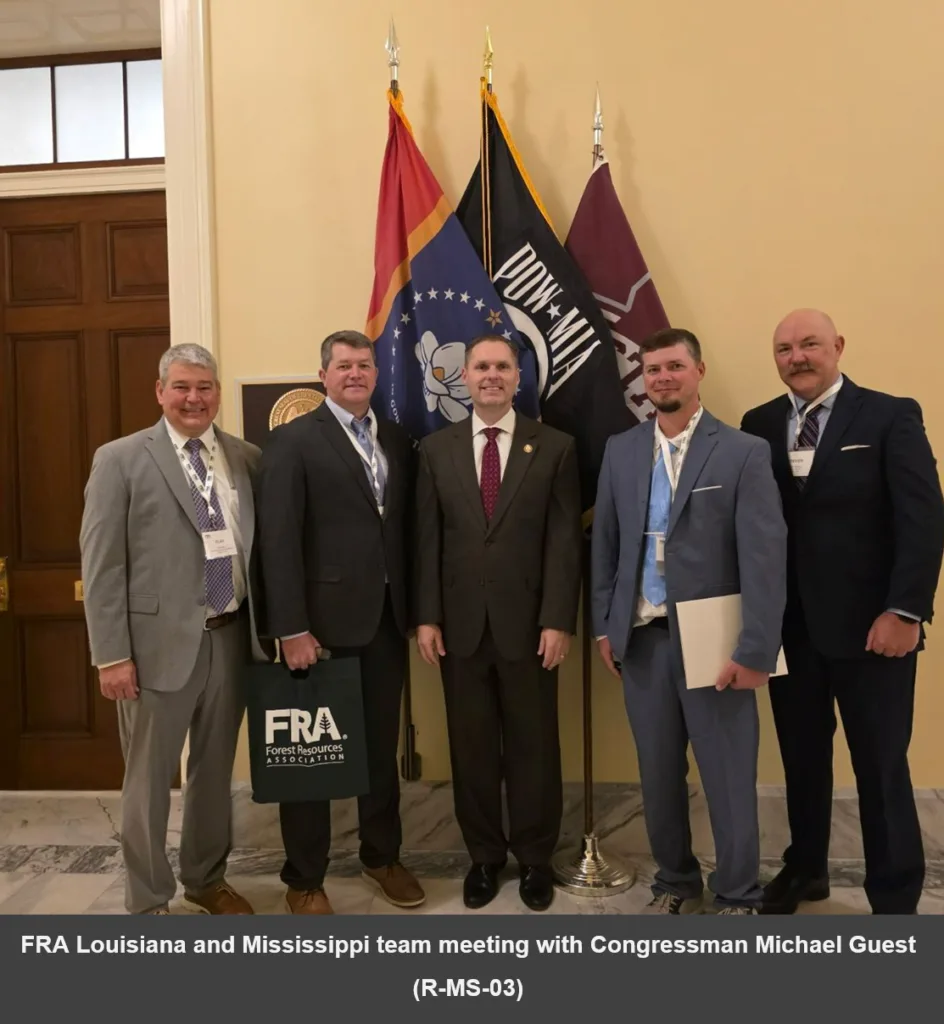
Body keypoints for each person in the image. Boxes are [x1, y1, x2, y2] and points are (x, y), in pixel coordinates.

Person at [741, 308, 944, 915]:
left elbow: (923, 518)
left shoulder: (889, 415)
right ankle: (806, 870)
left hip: (874, 630)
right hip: (791, 630)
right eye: (784, 349)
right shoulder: (758, 424)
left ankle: (895, 897)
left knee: (880, 766)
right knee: (802, 761)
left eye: (809, 344)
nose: (797, 357)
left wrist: (906, 611)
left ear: (838, 346)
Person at [592, 327, 787, 915]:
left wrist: (756, 648)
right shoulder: (621, 450)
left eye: (674, 366)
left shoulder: (743, 451)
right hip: (643, 641)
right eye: (652, 369)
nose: (663, 378)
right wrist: (604, 626)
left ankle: (738, 892)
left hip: (717, 642)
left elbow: (764, 558)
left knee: (728, 775)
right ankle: (674, 882)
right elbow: (605, 546)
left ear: (699, 370)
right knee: (657, 774)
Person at [79, 343, 265, 915]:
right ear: (160, 391)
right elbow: (101, 564)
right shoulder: (120, 459)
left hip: (230, 636)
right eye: (181, 386)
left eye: (204, 387)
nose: (193, 398)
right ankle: (148, 899)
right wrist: (111, 655)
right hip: (153, 649)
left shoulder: (247, 458)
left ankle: (206, 880)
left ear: (217, 392)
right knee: (148, 781)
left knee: (214, 773)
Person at [254, 329, 424, 915]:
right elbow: (277, 540)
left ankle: (382, 856)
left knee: (379, 751)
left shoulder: (396, 440)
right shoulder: (293, 440)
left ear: (377, 373)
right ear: (322, 374)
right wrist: (291, 627)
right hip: (318, 630)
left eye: (364, 364)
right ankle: (304, 879)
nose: (355, 373)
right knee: (312, 757)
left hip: (385, 622)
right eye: (343, 365)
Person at [414, 335, 582, 912]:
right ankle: (484, 856)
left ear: (518, 377)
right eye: (482, 366)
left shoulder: (555, 446)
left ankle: (535, 858)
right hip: (458, 628)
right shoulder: (434, 449)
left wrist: (558, 619)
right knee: (472, 748)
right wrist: (427, 616)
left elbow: (564, 542)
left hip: (532, 627)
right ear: (464, 375)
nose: (492, 375)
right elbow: (427, 540)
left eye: (502, 366)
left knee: (536, 746)